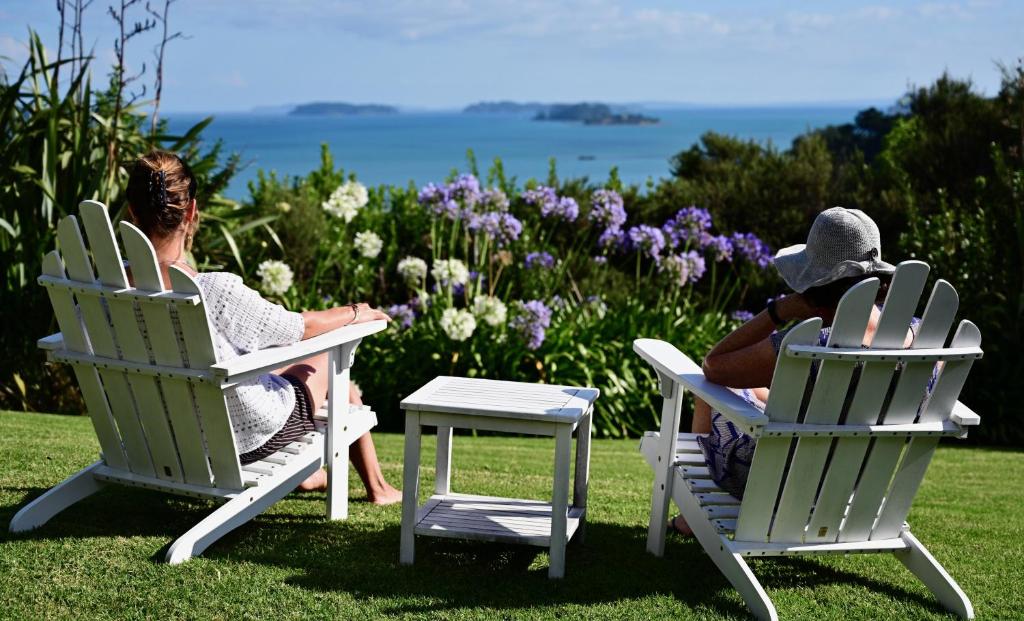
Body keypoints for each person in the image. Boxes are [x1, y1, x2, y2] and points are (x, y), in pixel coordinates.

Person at [124, 150, 401, 504]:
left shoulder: (104, 293)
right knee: (333, 355)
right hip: (243, 436)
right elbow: (298, 327)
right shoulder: (212, 291)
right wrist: (354, 312)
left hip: (163, 436)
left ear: (132, 214)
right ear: (191, 212)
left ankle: (323, 479)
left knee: (300, 367)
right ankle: (378, 488)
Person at [669, 206, 913, 536]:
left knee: (707, 391)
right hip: (856, 482)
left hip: (777, 480)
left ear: (814, 286)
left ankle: (692, 514)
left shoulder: (809, 344)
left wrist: (779, 310)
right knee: (760, 392)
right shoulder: (918, 339)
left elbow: (714, 365)